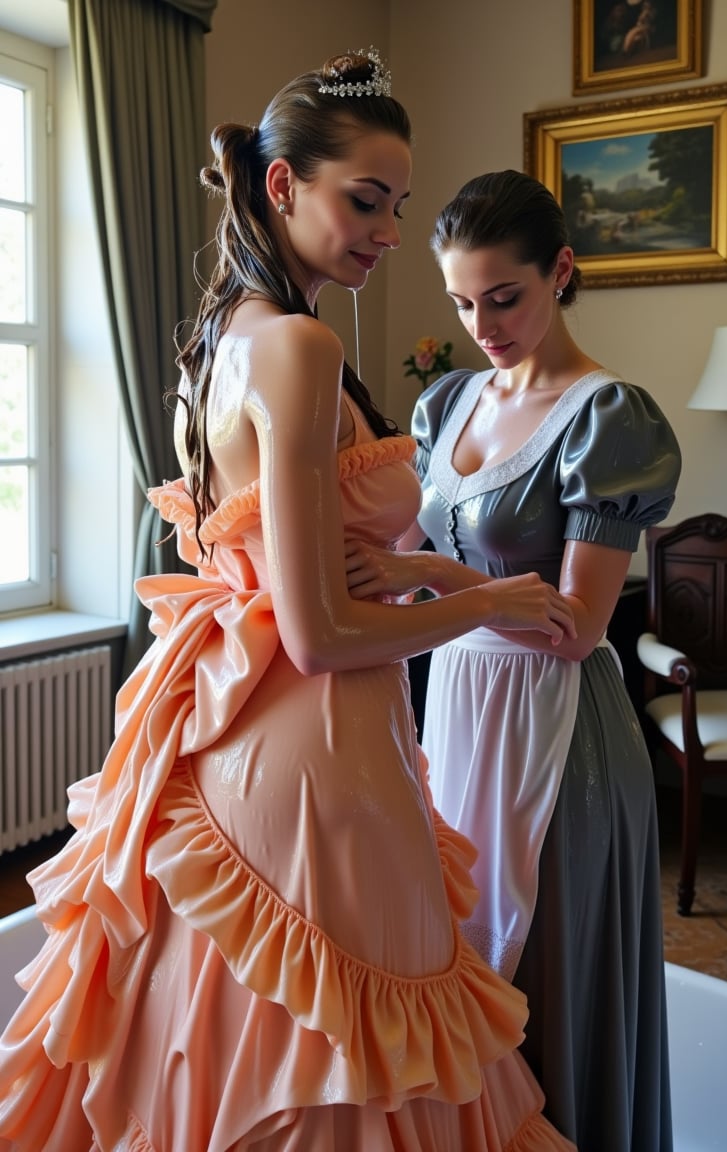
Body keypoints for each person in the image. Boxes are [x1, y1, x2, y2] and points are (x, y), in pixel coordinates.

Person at [0, 59, 580, 1152]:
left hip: (237, 734)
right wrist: (491, 598)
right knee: (347, 1037)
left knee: (240, 1024)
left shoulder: (223, 336)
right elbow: (321, 634)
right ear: (280, 188)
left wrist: (440, 576)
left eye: (397, 207)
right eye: (365, 200)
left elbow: (287, 571)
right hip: (318, 752)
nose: (387, 231)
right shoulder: (302, 347)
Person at [345, 169, 682, 1151]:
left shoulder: (606, 416)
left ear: (561, 272)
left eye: (506, 297)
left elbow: (576, 625)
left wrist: (420, 573)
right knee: (461, 952)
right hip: (455, 700)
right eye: (462, 301)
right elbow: (413, 576)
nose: (484, 324)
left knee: (542, 966)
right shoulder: (448, 401)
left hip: (557, 726)